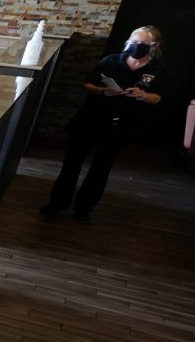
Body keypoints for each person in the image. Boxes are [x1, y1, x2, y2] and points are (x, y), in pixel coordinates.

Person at [42, 25, 166, 222]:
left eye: (142, 44)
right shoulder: (111, 61)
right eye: (133, 43)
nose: (136, 47)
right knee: (72, 162)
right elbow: (88, 84)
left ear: (154, 45)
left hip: (123, 122)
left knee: (101, 166)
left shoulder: (158, 69)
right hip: (92, 116)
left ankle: (84, 207)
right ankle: (58, 201)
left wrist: (141, 95)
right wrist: (103, 91)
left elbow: (158, 98)